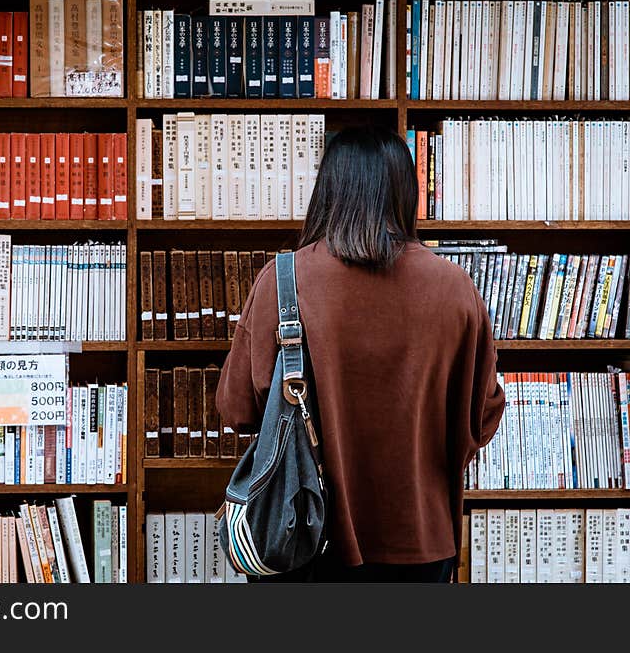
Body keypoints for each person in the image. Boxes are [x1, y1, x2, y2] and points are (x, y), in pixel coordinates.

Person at [215, 125, 505, 583]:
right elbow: (483, 417)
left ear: (327, 191)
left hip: (303, 535)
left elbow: (237, 409)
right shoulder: (455, 289)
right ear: (406, 193)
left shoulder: (282, 280)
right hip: (422, 540)